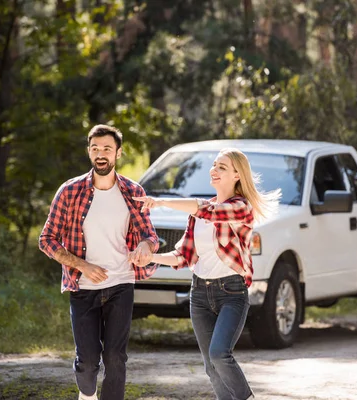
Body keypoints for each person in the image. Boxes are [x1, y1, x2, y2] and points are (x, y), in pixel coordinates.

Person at [133, 148, 280, 400]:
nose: (214, 170)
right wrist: (150, 258)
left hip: (231, 293)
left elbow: (208, 211)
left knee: (219, 354)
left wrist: (161, 201)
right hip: (199, 294)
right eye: (214, 165)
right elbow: (183, 256)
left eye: (222, 167)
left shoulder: (241, 208)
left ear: (237, 175)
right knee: (211, 368)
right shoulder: (197, 215)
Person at [38, 124, 159, 400]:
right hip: (82, 288)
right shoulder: (70, 191)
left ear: (118, 153)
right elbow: (47, 239)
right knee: (88, 361)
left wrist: (144, 244)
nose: (100, 154)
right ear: (89, 152)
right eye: (95, 148)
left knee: (116, 357)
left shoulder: (132, 191)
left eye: (107, 149)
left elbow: (149, 235)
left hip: (121, 283)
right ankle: (87, 395)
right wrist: (82, 265)